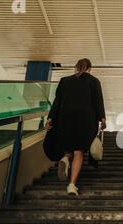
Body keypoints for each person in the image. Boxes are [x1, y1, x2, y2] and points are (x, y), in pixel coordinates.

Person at [46, 58, 106, 196]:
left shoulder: (65, 81)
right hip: (85, 120)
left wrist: (50, 118)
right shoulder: (94, 81)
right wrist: (102, 118)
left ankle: (65, 158)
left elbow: (57, 101)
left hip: (65, 119)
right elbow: (98, 101)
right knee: (78, 151)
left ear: (76, 67)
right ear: (89, 68)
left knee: (68, 147)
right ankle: (72, 185)